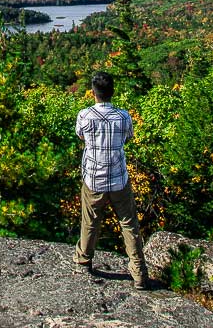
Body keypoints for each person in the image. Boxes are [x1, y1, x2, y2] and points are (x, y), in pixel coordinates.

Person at [73, 71, 149, 289]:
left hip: (94, 179)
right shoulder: (124, 116)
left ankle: (84, 261)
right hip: (119, 179)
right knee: (129, 223)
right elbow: (128, 137)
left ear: (93, 92)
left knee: (90, 221)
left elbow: (81, 136)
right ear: (112, 91)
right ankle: (139, 273)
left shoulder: (85, 115)